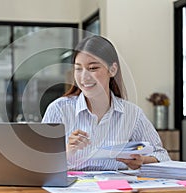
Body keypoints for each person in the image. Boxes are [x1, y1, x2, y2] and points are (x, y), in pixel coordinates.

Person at [42, 35, 170, 171]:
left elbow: (161, 155)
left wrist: (141, 161)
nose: (84, 77)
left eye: (93, 68)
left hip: (116, 189)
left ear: (112, 70)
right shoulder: (59, 109)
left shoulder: (133, 114)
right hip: (73, 191)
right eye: (78, 69)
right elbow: (38, 162)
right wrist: (67, 153)